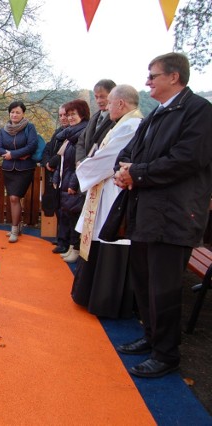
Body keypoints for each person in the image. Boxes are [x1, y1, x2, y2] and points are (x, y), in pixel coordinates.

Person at [114, 53, 212, 378]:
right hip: (146, 214)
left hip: (175, 217)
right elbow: (131, 152)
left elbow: (185, 160)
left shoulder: (199, 112)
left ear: (173, 76)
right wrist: (124, 168)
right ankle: (152, 337)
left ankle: (167, 354)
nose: (147, 82)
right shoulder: (156, 113)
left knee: (164, 289)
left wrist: (136, 173)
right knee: (144, 282)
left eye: (152, 76)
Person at [71, 85, 144, 318]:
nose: (106, 106)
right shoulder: (121, 124)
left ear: (121, 103)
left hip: (115, 192)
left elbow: (109, 157)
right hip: (105, 189)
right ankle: (90, 293)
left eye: (110, 102)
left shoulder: (132, 126)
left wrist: (82, 168)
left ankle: (106, 301)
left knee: (111, 240)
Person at [53, 100, 90, 260]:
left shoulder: (83, 134)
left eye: (73, 114)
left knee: (75, 215)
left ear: (82, 114)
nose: (69, 118)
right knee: (67, 214)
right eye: (68, 115)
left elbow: (80, 162)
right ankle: (69, 246)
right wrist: (56, 176)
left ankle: (75, 248)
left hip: (73, 181)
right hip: (65, 179)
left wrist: (74, 182)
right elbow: (62, 161)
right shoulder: (69, 135)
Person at [0, 101, 38, 243]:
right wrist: (11, 155)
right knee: (12, 198)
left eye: (18, 112)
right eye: (12, 112)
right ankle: (17, 227)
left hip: (24, 168)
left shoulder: (29, 127)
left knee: (15, 198)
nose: (14, 114)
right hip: (9, 168)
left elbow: (32, 145)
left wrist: (13, 154)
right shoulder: (3, 130)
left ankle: (14, 229)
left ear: (23, 114)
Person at [42, 105, 69, 250]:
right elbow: (48, 148)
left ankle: (67, 243)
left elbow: (64, 153)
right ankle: (61, 239)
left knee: (66, 210)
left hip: (65, 176)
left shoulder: (74, 133)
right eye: (61, 115)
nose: (63, 118)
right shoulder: (58, 132)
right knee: (58, 208)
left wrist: (52, 163)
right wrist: (47, 163)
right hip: (54, 175)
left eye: (66, 115)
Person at [75, 79, 117, 164]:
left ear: (113, 95)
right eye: (96, 97)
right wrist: (80, 161)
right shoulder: (94, 117)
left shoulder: (118, 119)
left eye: (102, 97)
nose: (98, 101)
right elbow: (81, 140)